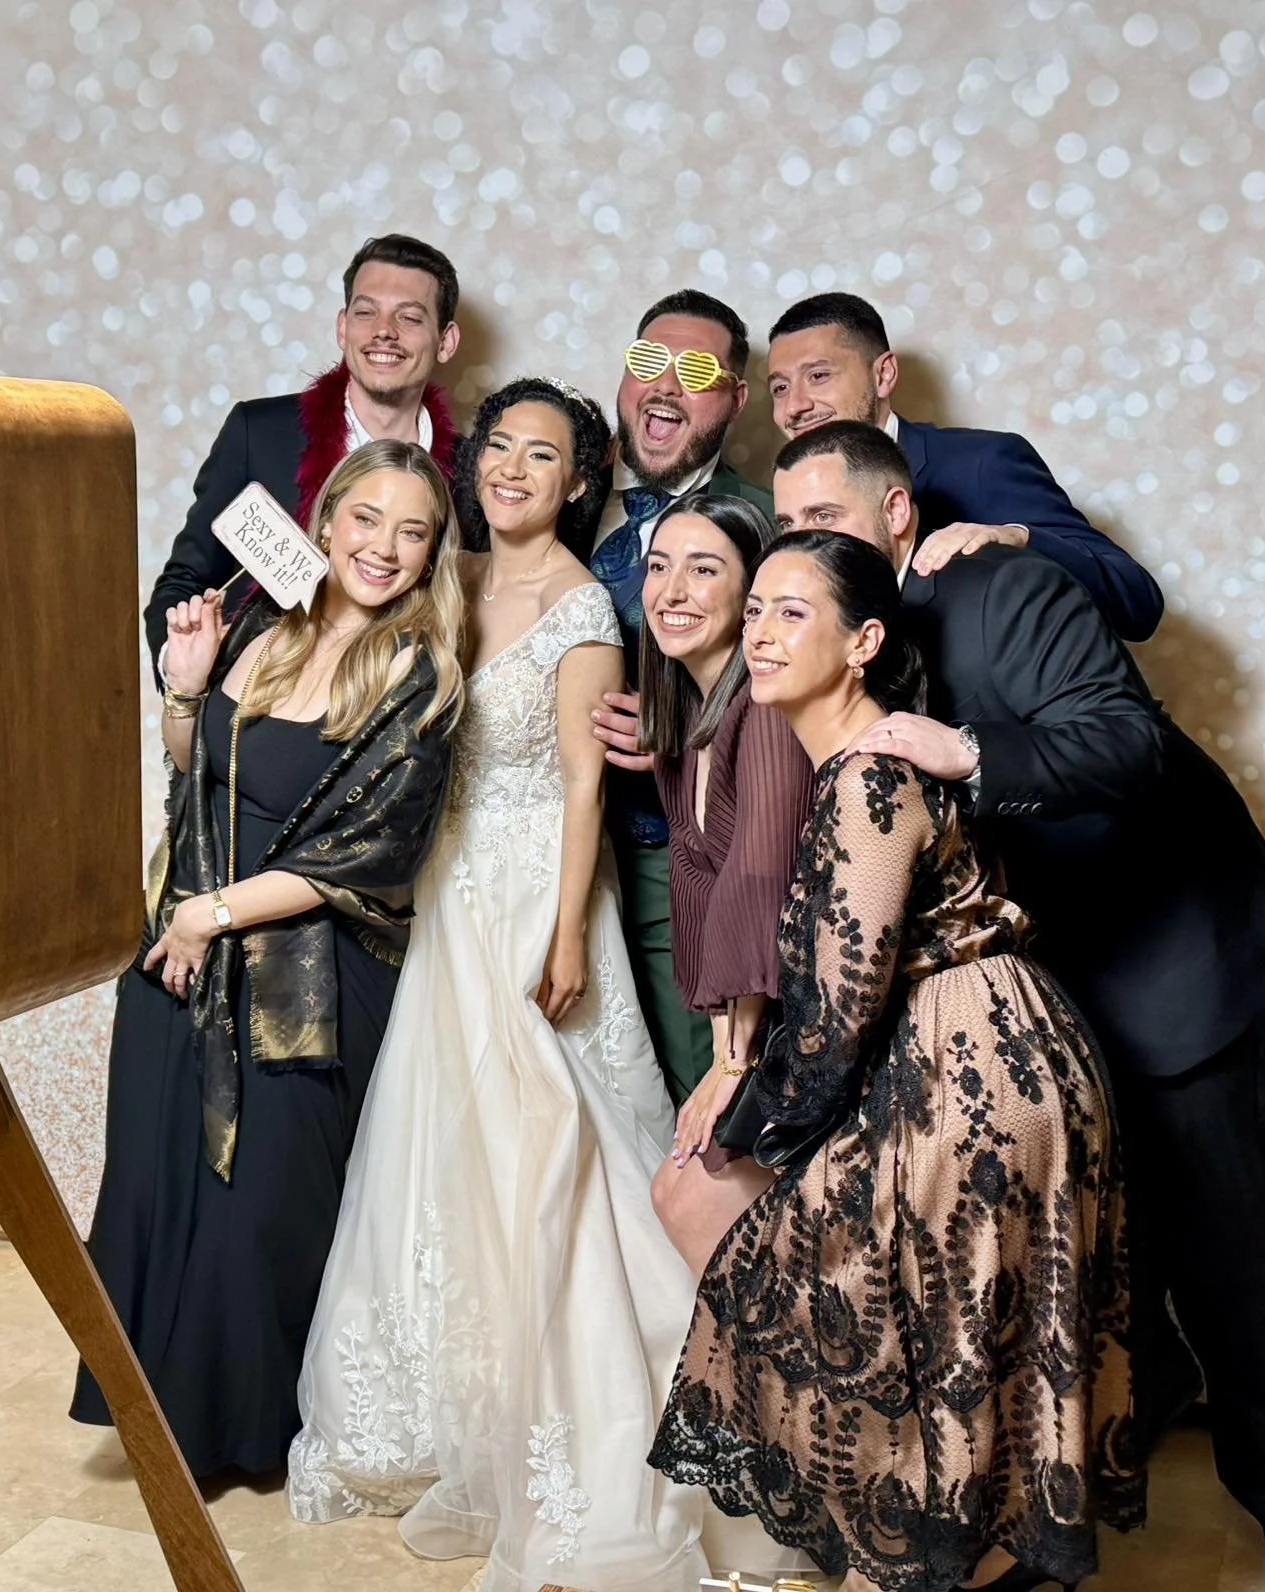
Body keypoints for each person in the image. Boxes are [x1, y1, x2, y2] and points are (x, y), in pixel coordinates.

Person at [769, 421, 1265, 1592]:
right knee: (1050, 1253)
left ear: (894, 513)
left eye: (824, 517)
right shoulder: (844, 634)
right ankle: (1051, 1506)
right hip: (1032, 1000)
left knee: (1218, 1234)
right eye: (788, 524)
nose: (803, 542)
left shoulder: (1004, 587)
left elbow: (1124, 741)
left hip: (1162, 952)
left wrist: (966, 749)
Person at [650, 529, 1139, 1592]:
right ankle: (938, 1552)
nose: (761, 633)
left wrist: (746, 1117)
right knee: (923, 1325)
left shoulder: (868, 775)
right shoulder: (862, 760)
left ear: (864, 639)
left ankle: (919, 1555)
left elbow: (835, 1013)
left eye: (791, 611)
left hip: (972, 1078)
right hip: (980, 1054)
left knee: (772, 1240)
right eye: (757, 610)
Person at [290, 379, 707, 1592]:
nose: (514, 468)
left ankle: (600, 1401)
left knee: (553, 1146)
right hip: (441, 886)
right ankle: (431, 1409)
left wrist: (569, 936)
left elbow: (583, 785)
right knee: (441, 1145)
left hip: (531, 894)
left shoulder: (584, 608)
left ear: (580, 478)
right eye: (499, 448)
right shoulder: (440, 570)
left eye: (544, 454)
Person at [71, 441, 466, 1479]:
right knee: (162, 1181)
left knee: (259, 1205)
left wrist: (213, 914)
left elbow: (368, 854)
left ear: (432, 555)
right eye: (365, 519)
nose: (382, 547)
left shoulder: (417, 677)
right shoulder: (258, 623)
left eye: (411, 530)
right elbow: (195, 765)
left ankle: (244, 1430)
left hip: (307, 977)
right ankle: (160, 1412)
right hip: (181, 945)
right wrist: (182, 685)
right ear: (325, 520)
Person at [589, 290, 777, 1106]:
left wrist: (687, 732)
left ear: (735, 398)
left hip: (682, 862)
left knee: (690, 1103)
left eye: (696, 370)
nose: (664, 385)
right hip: (549, 863)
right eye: (647, 362)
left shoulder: (766, 522)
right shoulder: (553, 496)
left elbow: (805, 690)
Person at [631, 493, 813, 1271]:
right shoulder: (687, 723)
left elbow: (760, 879)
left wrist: (732, 1072)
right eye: (659, 566)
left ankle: (794, 1389)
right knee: (679, 1195)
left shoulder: (764, 712)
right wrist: (717, 1054)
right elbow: (697, 893)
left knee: (690, 1201)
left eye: (703, 570)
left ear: (750, 597)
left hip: (812, 1019)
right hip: (752, 1020)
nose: (671, 591)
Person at [765, 291, 1165, 643]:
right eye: (780, 388)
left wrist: (1019, 537)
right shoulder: (787, 507)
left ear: (883, 374)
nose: (795, 405)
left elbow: (1137, 604)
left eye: (818, 376)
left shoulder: (982, 463)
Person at [141, 234, 463, 670]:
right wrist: (183, 673)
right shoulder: (260, 434)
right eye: (366, 312)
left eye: (408, 318)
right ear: (342, 327)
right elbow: (185, 581)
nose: (383, 331)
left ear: (445, 341)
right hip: (247, 714)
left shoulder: (470, 473)